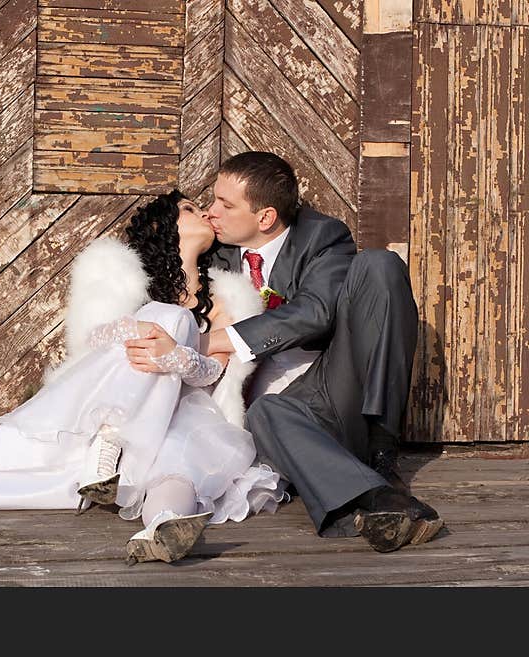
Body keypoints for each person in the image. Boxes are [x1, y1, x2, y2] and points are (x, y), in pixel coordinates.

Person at [0, 190, 285, 564]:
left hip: (184, 409)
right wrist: (139, 331)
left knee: (179, 469)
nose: (205, 214)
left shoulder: (226, 298)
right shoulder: (136, 286)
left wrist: (173, 357)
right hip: (120, 402)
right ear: (165, 227)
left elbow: (217, 371)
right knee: (169, 316)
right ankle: (110, 437)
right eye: (190, 210)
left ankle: (164, 526)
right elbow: (94, 342)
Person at [126, 152, 444, 553]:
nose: (210, 213)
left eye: (225, 205)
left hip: (333, 389)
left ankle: (382, 453)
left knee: (380, 265)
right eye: (211, 201)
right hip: (278, 413)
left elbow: (315, 313)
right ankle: (379, 500)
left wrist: (201, 341)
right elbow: (167, 265)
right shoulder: (215, 249)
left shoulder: (322, 237)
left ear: (265, 218)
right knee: (265, 411)